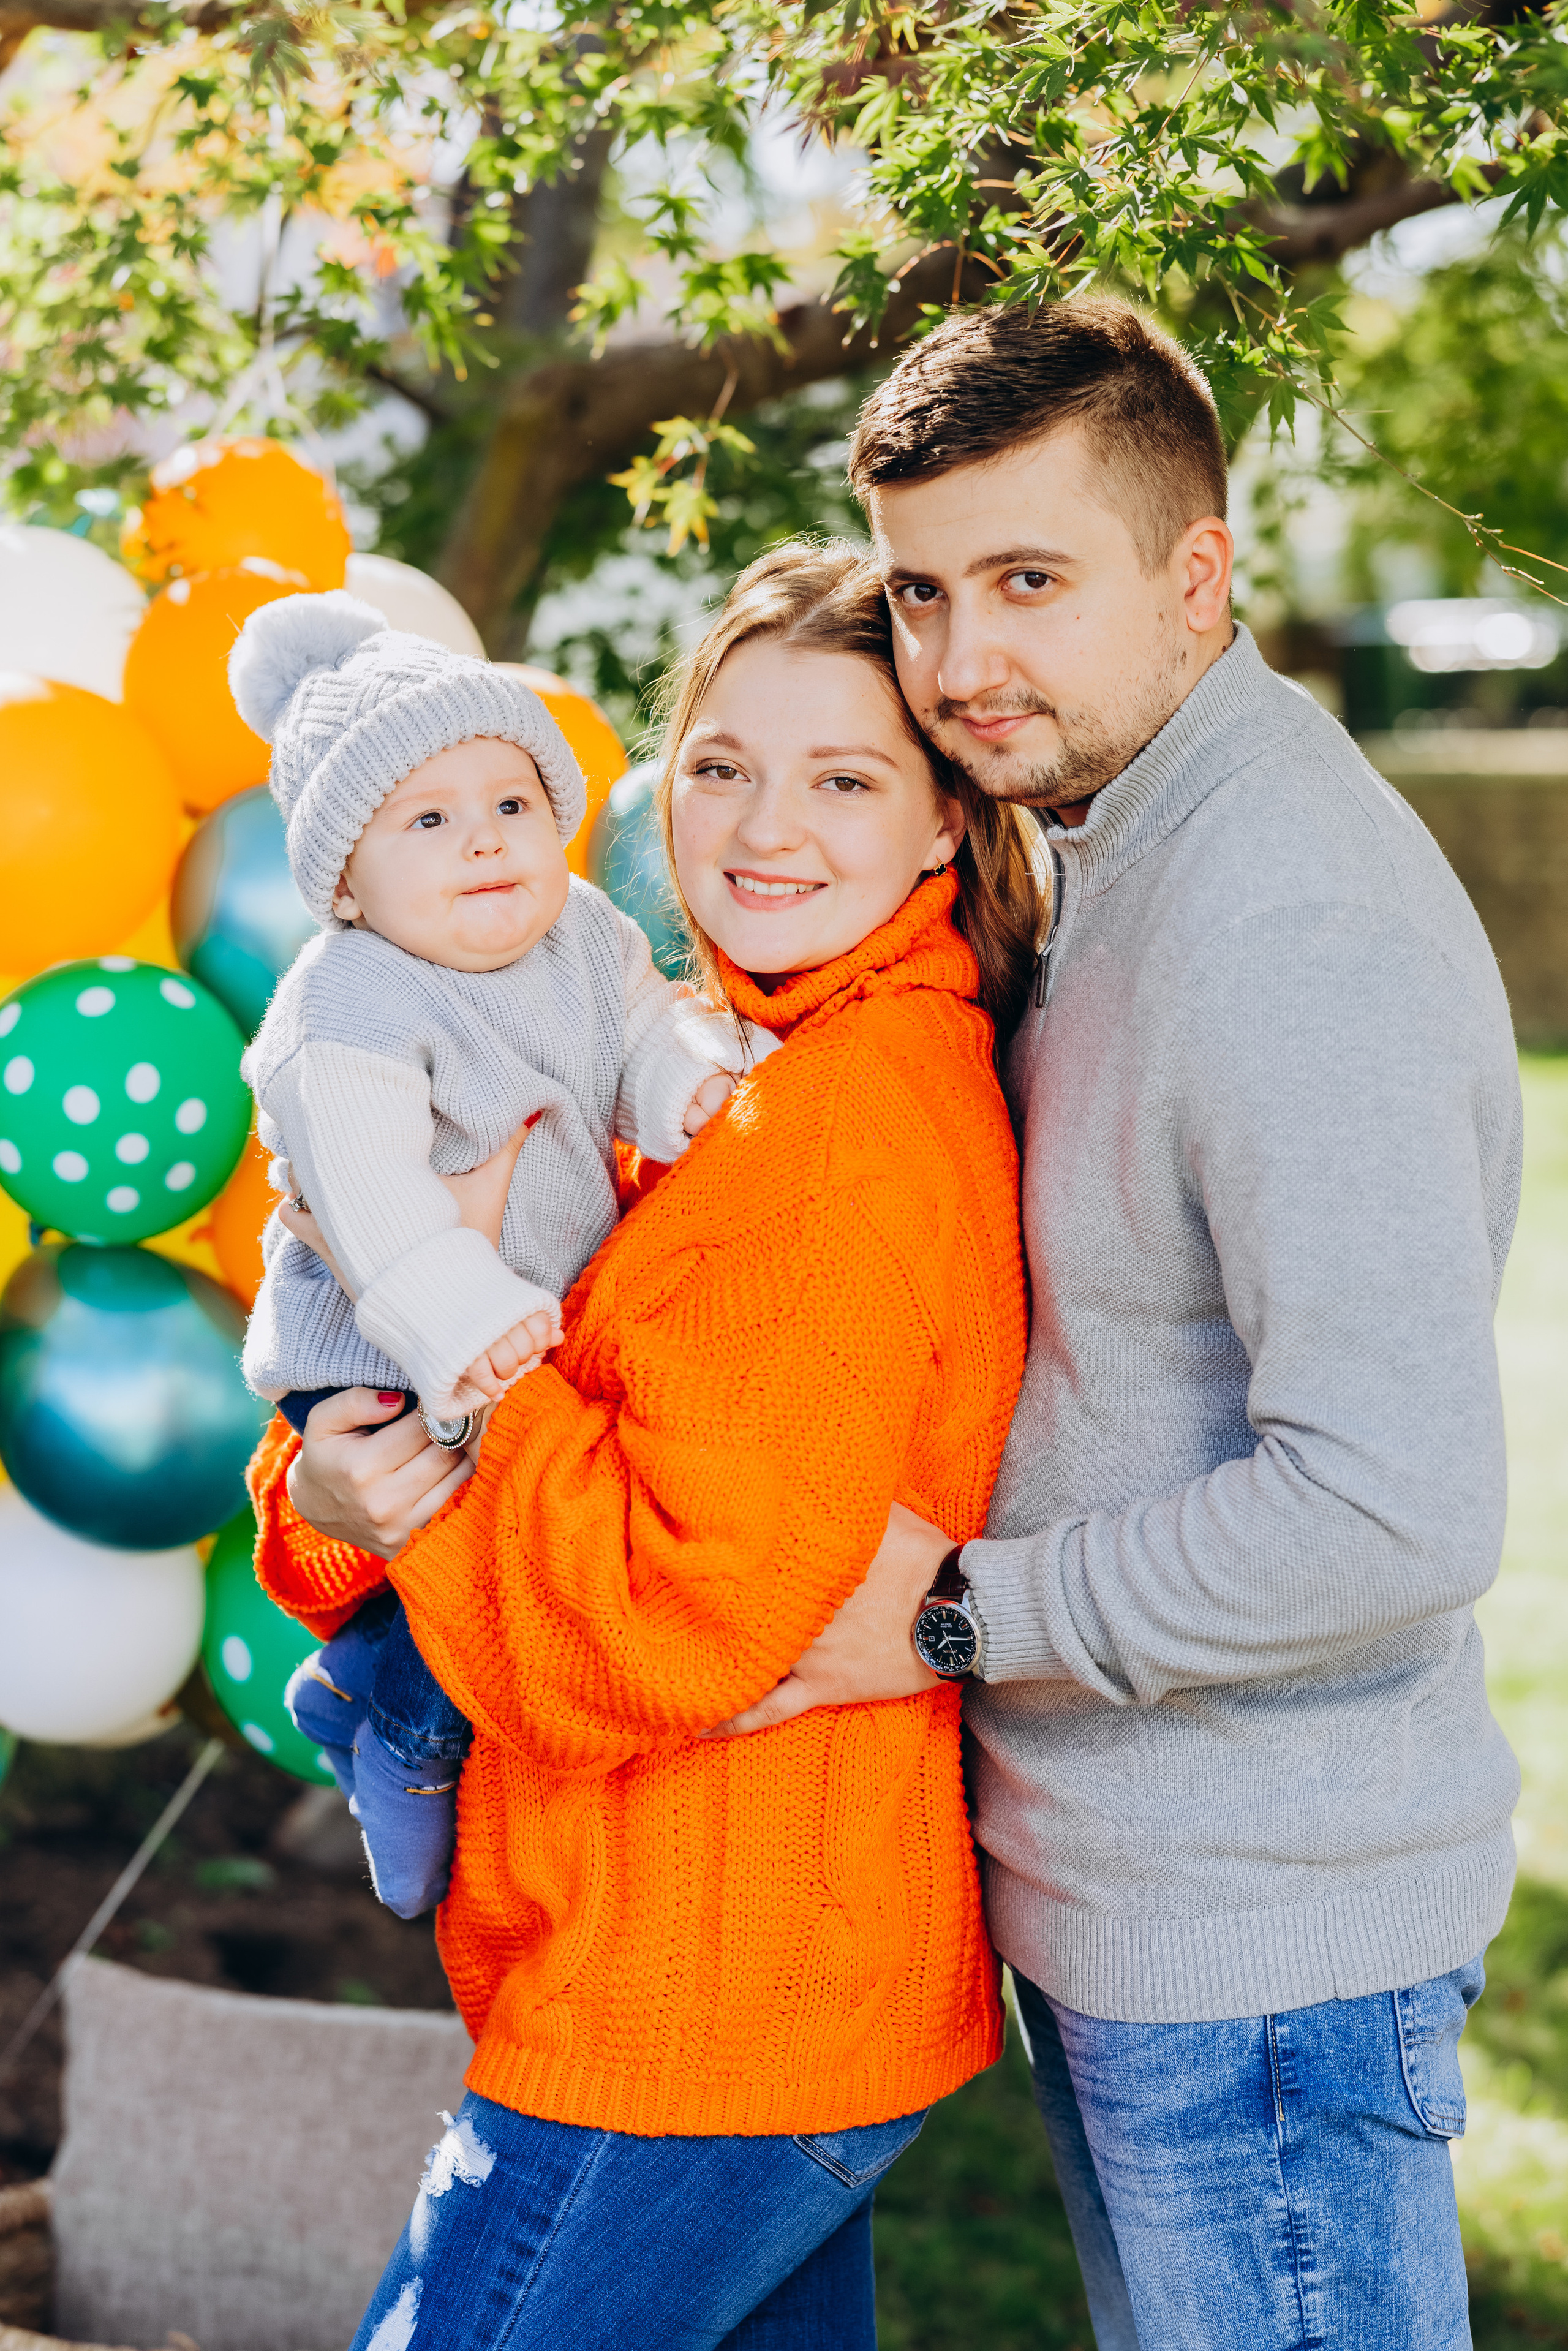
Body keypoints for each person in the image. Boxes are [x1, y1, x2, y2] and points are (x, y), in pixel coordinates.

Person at [717, 300, 1522, 2349]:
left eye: (1029, 581)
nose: (962, 658)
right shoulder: (1121, 847)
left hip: (1259, 1953)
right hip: (1145, 1910)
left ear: (1197, 573)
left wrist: (963, 1611)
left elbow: (1393, 1505)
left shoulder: (1287, 917)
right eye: (921, 591)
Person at [244, 542, 1043, 2348]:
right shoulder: (698, 1071)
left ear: (941, 822)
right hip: (719, 1974)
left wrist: (464, 1378)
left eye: (844, 775)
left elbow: (657, 1608)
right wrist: (333, 1491)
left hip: (703, 1994)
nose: (763, 826)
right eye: (719, 764)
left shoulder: (829, 1133)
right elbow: (362, 1483)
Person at [229, 590, 759, 1921]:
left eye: (510, 802)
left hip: (518, 1320)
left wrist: (690, 1083)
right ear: (346, 880)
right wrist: (462, 1316)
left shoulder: (577, 929)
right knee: (485, 1525)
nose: (484, 838)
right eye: (427, 817)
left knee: (533, 1515)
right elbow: (367, 1199)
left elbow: (640, 1025)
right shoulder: (345, 999)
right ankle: (401, 1718)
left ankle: (359, 1679)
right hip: (383, 1339)